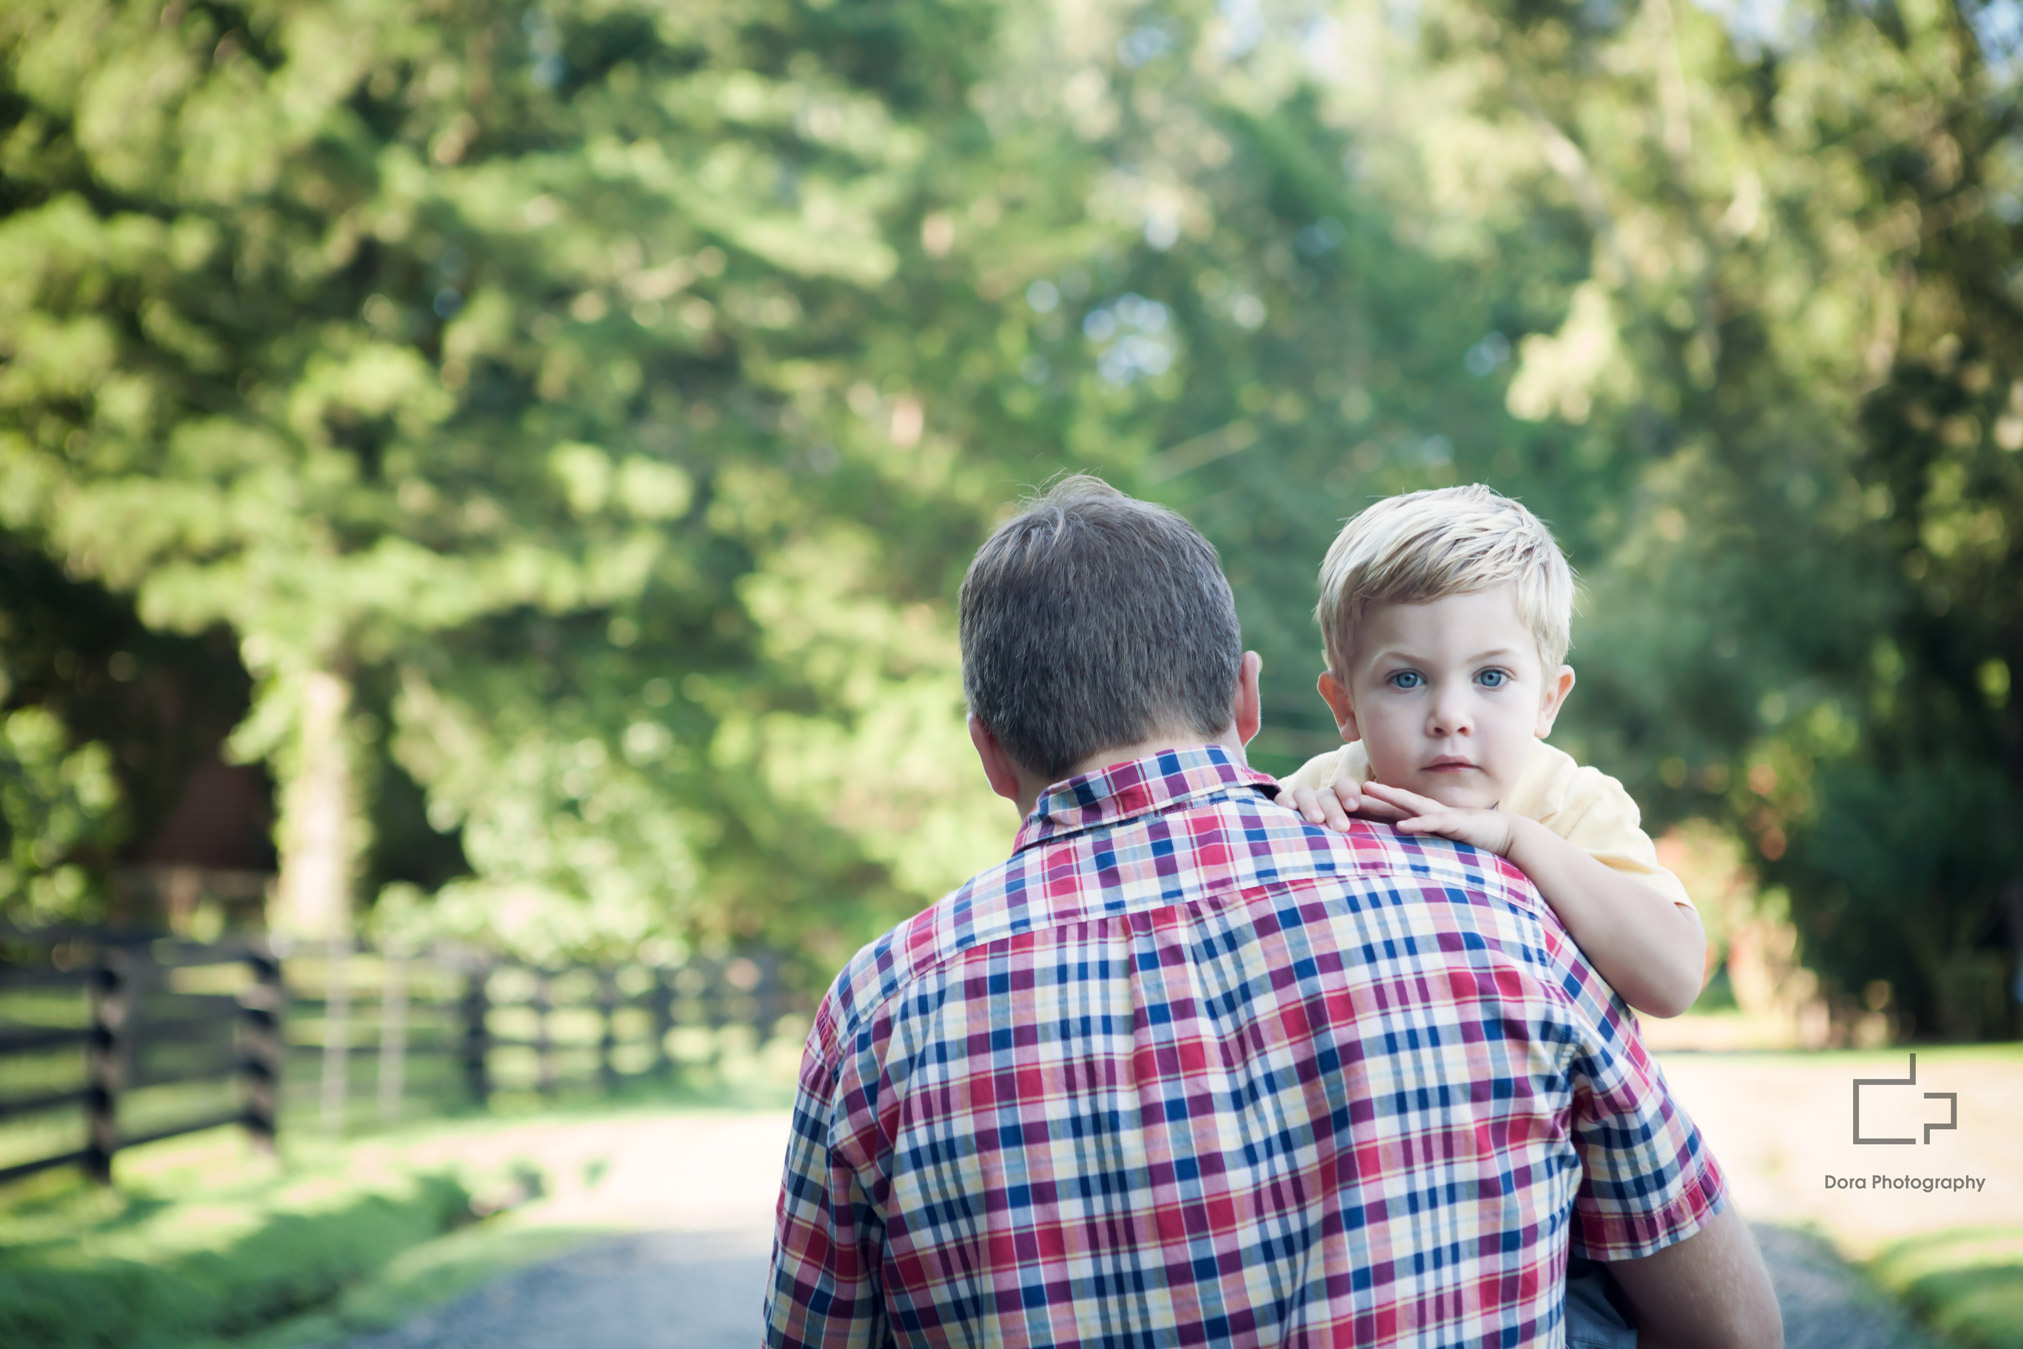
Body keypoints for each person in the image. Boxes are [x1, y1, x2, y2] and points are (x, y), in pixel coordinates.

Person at [764, 476, 1781, 1348]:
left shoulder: (879, 1011)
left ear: (988, 751)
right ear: (1253, 701)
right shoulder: (1503, 917)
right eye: (1409, 678)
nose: (1450, 714)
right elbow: (1733, 1327)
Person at [1279, 485, 1706, 1022]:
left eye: (1491, 676)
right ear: (1345, 706)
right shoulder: (1328, 790)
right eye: (1407, 678)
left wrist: (1514, 839)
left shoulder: (1570, 805)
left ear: (1547, 700)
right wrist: (1290, 817)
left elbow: (1675, 980)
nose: (1450, 715)